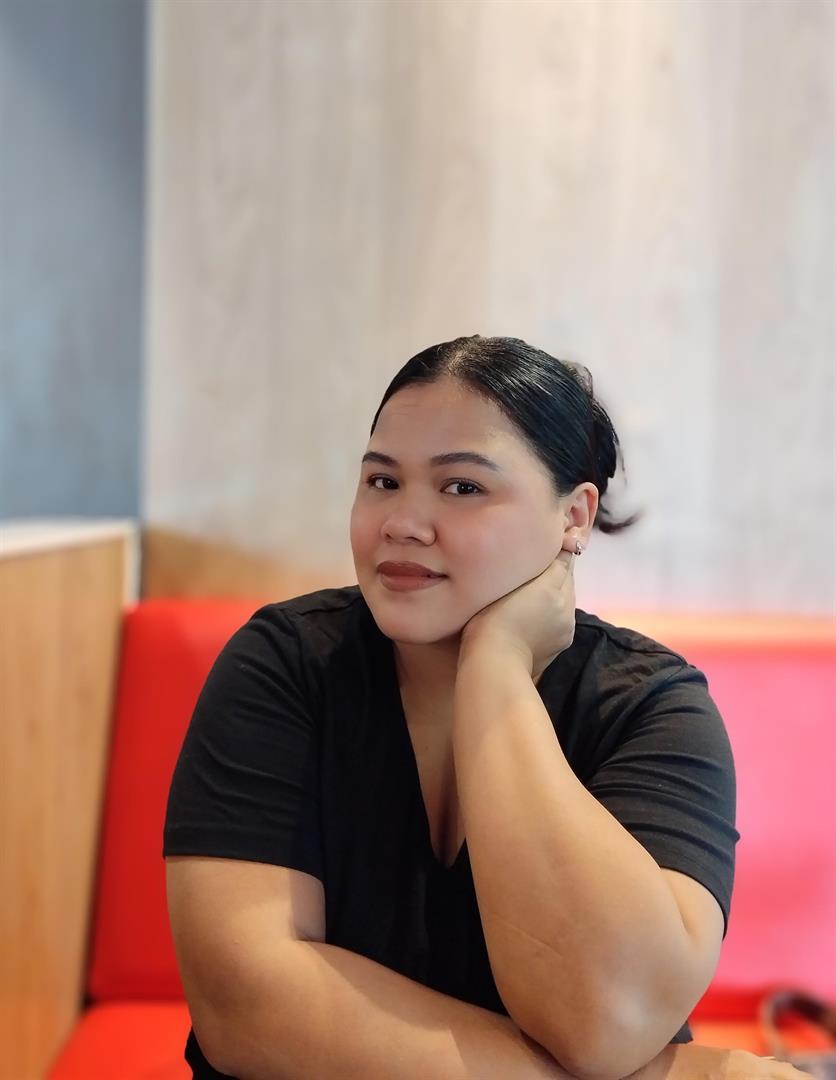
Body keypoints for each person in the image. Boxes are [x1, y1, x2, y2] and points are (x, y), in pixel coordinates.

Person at [163, 335, 806, 1079]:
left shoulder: (650, 707)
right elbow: (245, 1007)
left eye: (462, 487)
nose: (403, 521)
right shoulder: (286, 663)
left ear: (574, 516)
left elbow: (609, 1021)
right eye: (382, 481)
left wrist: (497, 667)